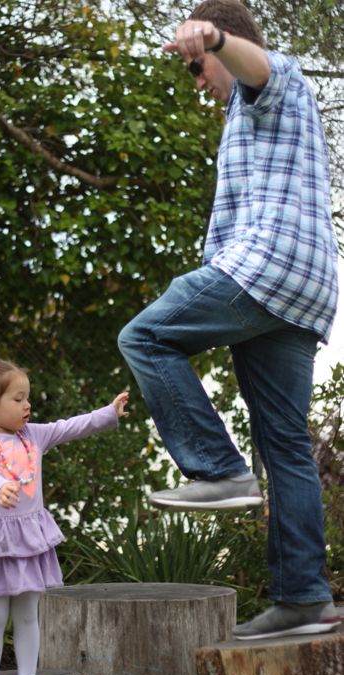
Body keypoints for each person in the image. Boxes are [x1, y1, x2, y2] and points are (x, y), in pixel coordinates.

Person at [118, 0, 341, 640]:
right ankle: (303, 598)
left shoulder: (272, 85)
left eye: (197, 69)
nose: (198, 84)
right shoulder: (244, 117)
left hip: (267, 268)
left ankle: (216, 470)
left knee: (145, 335)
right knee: (286, 445)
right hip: (301, 294)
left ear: (225, 48)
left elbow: (264, 67)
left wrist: (213, 37)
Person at [0, 357, 129, 675]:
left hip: (30, 538)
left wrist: (108, 413)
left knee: (27, 615)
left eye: (27, 397)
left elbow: (71, 426)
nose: (28, 405)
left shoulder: (33, 436)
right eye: (18, 399)